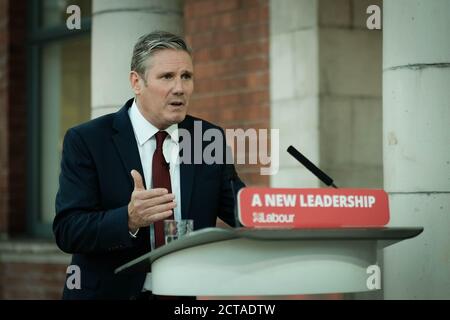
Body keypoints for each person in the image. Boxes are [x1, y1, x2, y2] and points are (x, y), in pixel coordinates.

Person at [53, 31, 244, 300]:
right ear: (136, 82)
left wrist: (295, 210)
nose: (179, 87)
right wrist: (128, 218)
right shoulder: (88, 140)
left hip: (179, 297)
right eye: (167, 77)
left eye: (186, 76)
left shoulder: (206, 139)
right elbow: (68, 230)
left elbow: (242, 209)